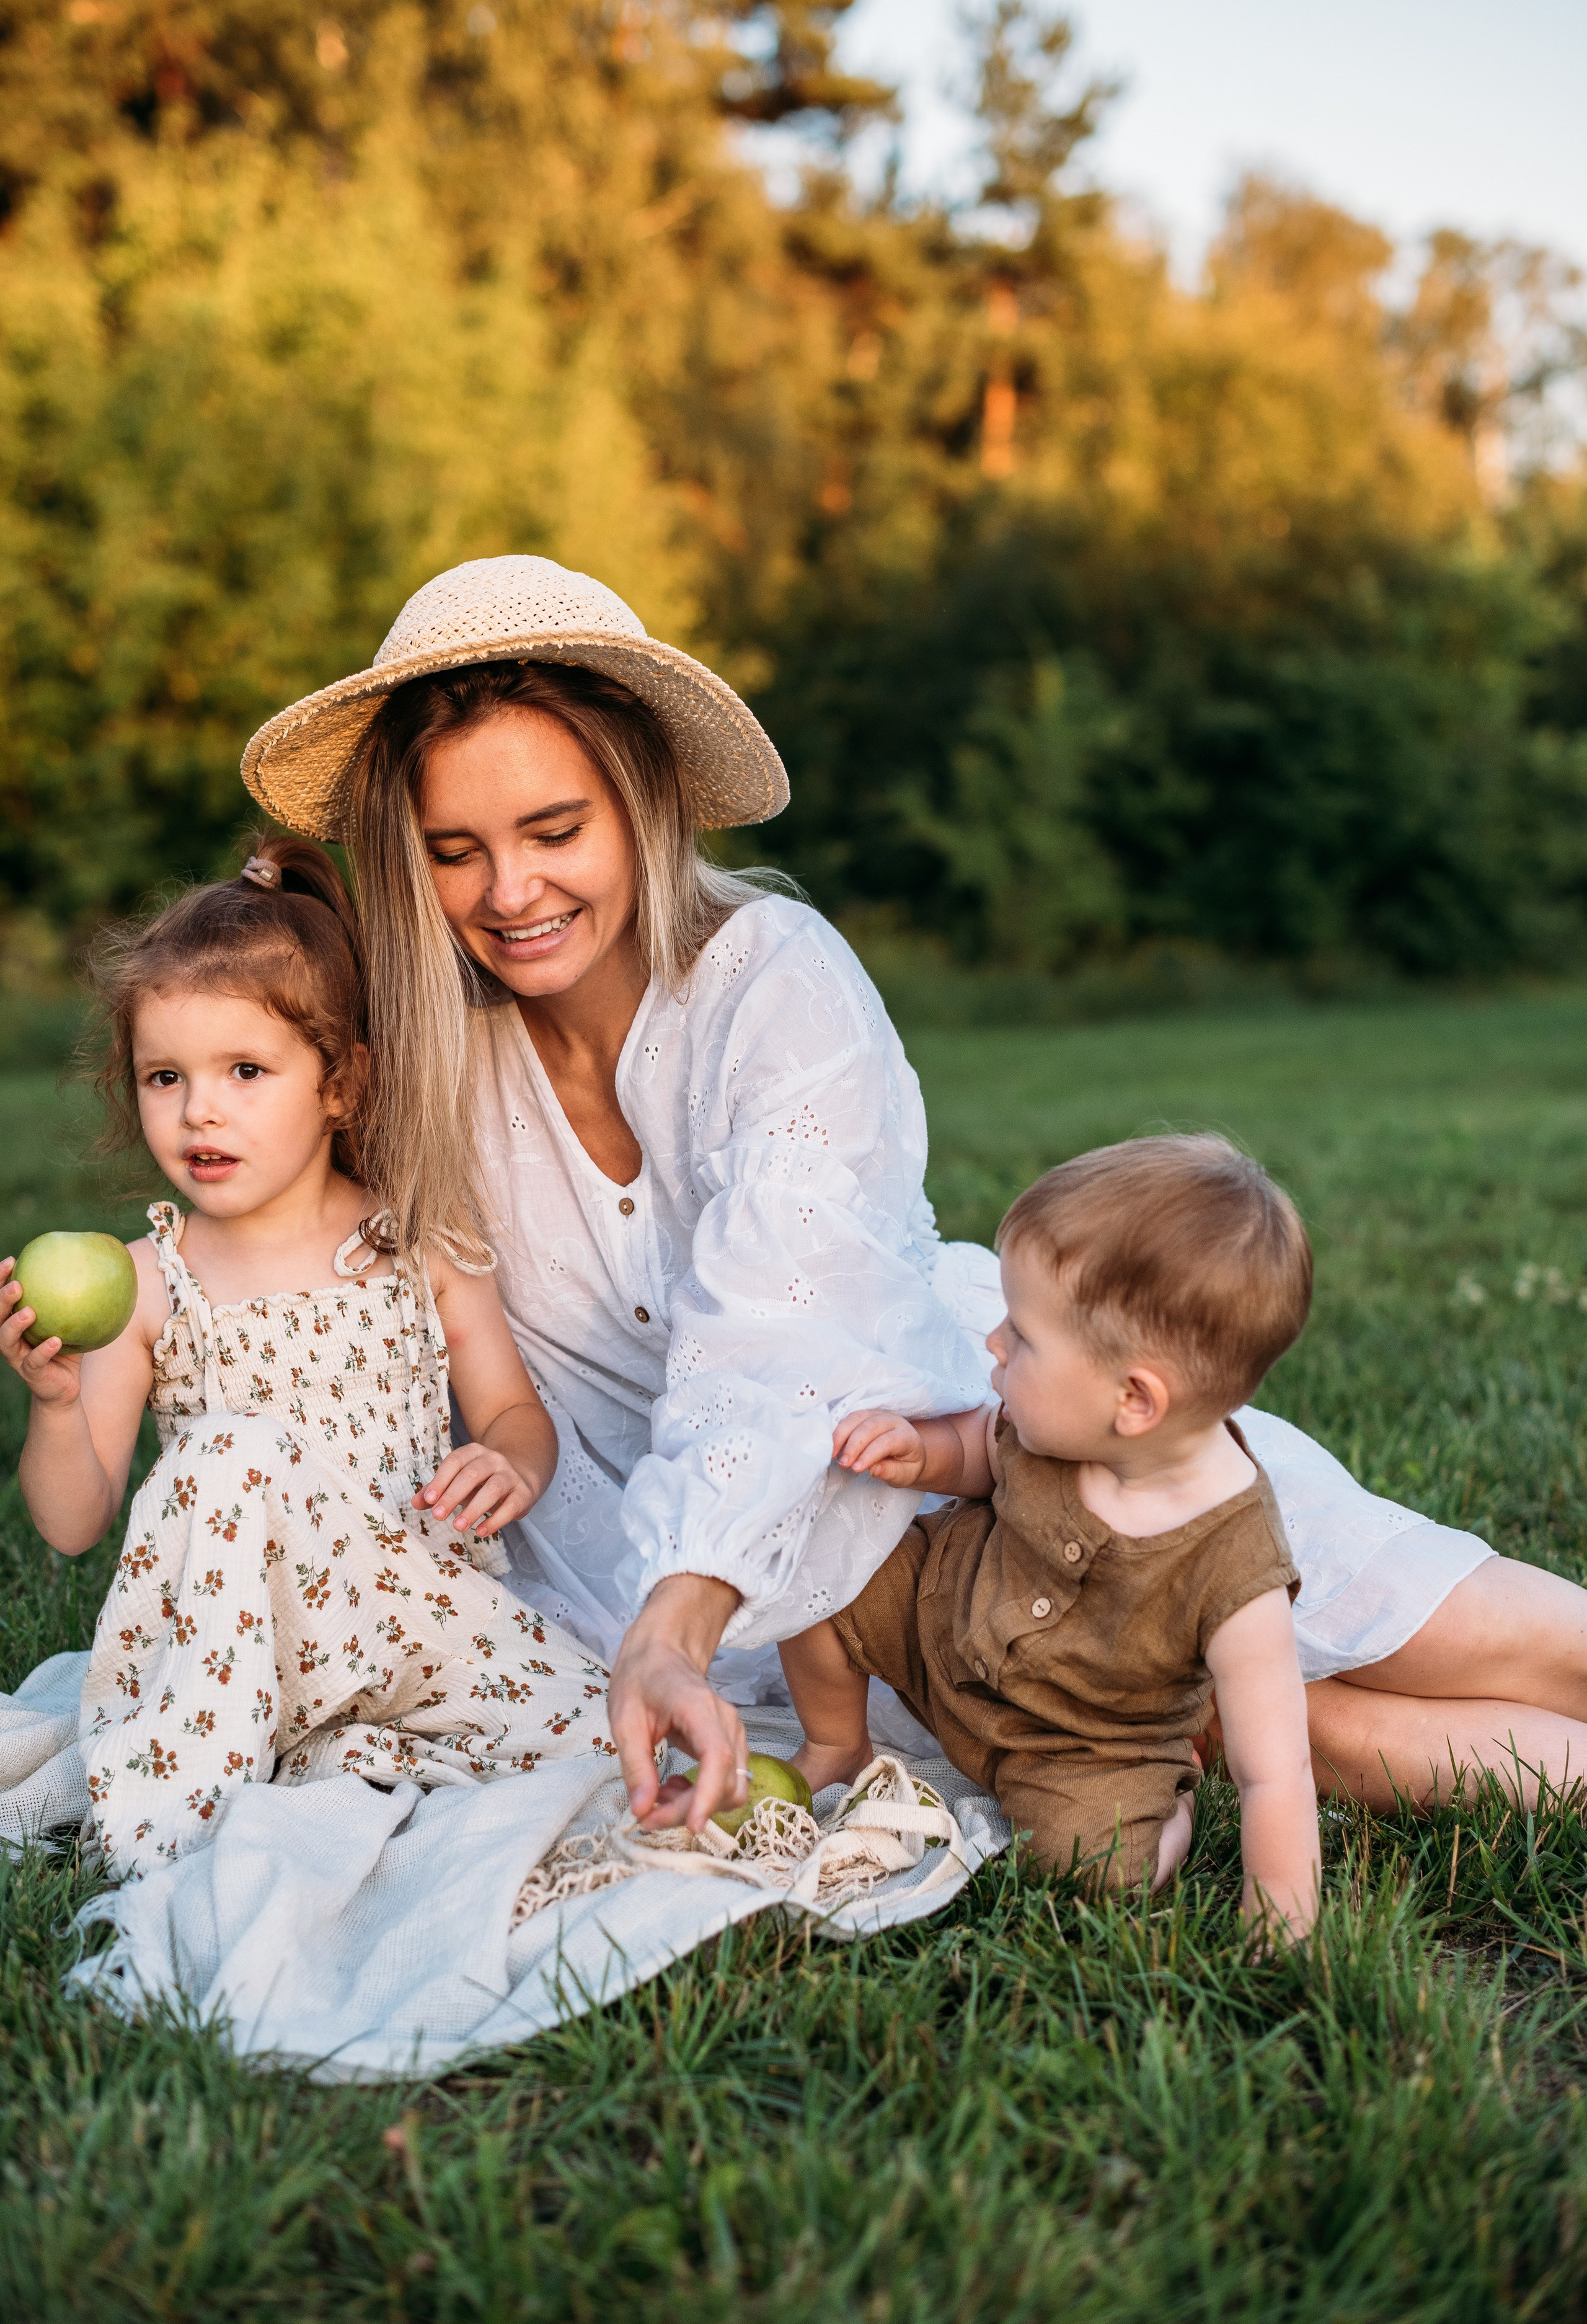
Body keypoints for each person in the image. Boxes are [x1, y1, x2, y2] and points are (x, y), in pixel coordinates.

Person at [239, 553, 1587, 1835]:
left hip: (1002, 1472)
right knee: (1297, 1735)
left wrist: (675, 1616)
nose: (511, 889)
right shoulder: (428, 1070)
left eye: (553, 828)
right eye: (454, 848)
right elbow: (258, 1169)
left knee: (1468, 1625)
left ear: (641, 803)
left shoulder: (775, 980)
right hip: (827, 1610)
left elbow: (779, 1335)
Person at [0, 836, 612, 1877]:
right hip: (239, 1650)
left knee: (604, 1742)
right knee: (236, 1451)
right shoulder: (152, 1280)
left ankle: (315, 1749)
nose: (201, 1109)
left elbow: (515, 1415)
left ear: (340, 1084)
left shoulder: (421, 1245)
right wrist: (57, 1404)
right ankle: (180, 1805)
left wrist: (509, 1461)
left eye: (246, 1071)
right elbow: (73, 1523)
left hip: (412, 1620)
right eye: (166, 1077)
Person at [787, 1136, 1321, 1942]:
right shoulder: (1053, 1423)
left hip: (1075, 1745)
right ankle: (835, 1742)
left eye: (1023, 1335)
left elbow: (1275, 1770)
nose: (994, 1342)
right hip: (937, 1617)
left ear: (1134, 1401)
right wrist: (921, 1452)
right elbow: (979, 1448)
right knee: (818, 1574)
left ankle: (1162, 1821)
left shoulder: (1234, 1567)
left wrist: (1282, 1920)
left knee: (1086, 1867)